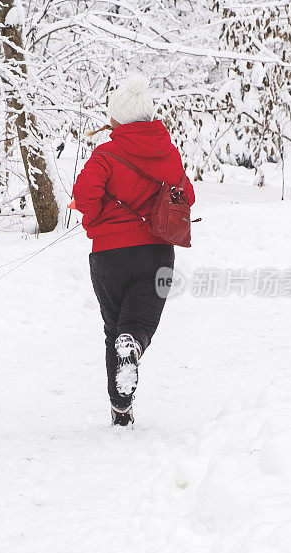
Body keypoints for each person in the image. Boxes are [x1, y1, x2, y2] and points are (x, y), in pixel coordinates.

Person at [71, 74, 195, 426]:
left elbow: (85, 198)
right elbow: (187, 197)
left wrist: (96, 221)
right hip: (157, 254)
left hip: (109, 256)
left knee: (114, 331)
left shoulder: (105, 155)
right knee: (137, 326)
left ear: (118, 118)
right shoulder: (169, 153)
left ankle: (120, 409)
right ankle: (133, 346)